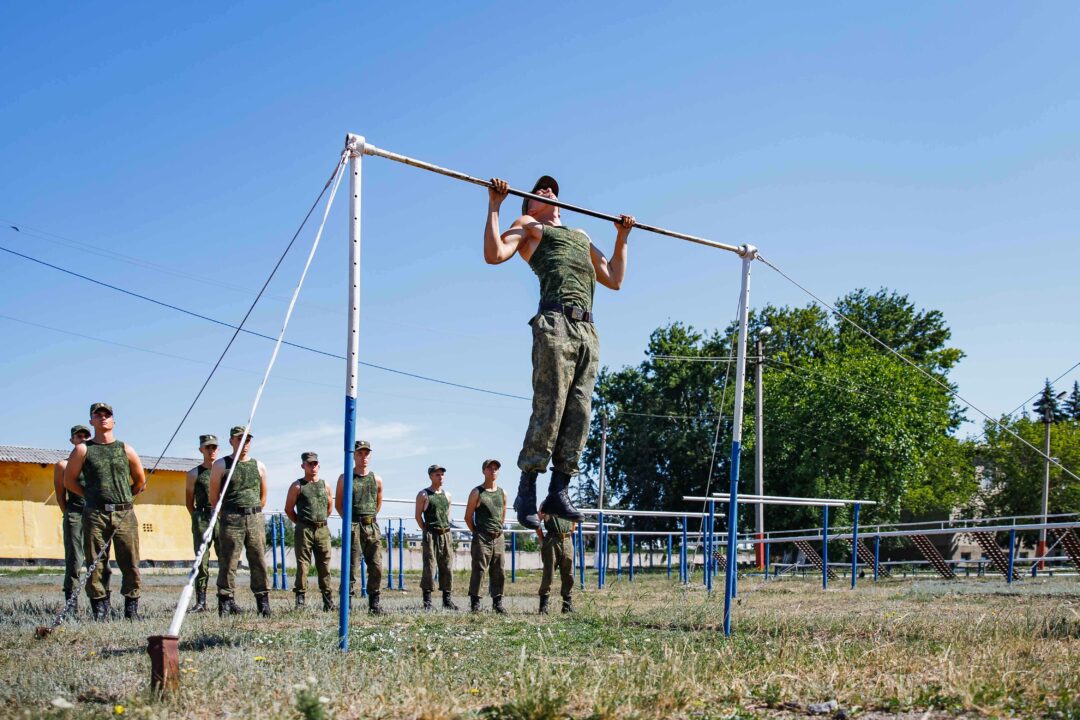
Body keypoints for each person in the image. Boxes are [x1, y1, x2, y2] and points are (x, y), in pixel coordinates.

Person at [484, 175, 633, 529]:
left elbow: (613, 278)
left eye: (551, 189)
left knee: (580, 411)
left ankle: (560, 487)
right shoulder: (529, 226)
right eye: (539, 191)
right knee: (550, 406)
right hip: (555, 322)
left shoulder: (581, 236)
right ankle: (527, 489)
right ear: (530, 204)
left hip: (587, 330)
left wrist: (621, 238)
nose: (548, 190)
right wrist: (495, 205)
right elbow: (494, 255)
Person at [63, 403, 146, 621]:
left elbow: (140, 482)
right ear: (91, 421)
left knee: (130, 562)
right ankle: (100, 609)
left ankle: (131, 609)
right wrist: (89, 496)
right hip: (95, 513)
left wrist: (123, 497)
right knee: (96, 563)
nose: (103, 418)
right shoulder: (83, 449)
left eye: (107, 415)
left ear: (113, 421)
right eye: (97, 415)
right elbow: (69, 481)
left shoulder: (125, 448)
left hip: (124, 514)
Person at [209, 426, 271, 617]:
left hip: (254, 517)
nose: (244, 444)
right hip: (231, 517)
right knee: (228, 561)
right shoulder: (221, 465)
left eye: (247, 440)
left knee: (258, 560)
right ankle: (225, 601)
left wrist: (251, 512)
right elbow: (214, 497)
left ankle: (263, 601)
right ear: (231, 441)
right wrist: (229, 513)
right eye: (239, 439)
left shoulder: (259, 466)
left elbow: (262, 497)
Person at [52, 424, 112, 613]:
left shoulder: (94, 463)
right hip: (75, 513)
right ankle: (71, 604)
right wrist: (68, 513)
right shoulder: (63, 464)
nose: (83, 438)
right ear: (72, 440)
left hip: (95, 513)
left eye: (86, 435)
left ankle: (103, 601)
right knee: (74, 559)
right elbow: (60, 494)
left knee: (101, 558)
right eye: (79, 436)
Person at [335, 440, 385, 615]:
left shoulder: (376, 479)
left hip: (371, 525)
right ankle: (346, 603)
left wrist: (369, 519)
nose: (363, 457)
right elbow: (339, 505)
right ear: (354, 455)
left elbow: (378, 503)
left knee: (376, 566)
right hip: (353, 525)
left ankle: (374, 603)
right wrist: (350, 521)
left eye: (366, 453)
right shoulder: (346, 477)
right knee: (351, 566)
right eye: (360, 453)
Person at [285, 451, 335, 611]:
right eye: (309, 464)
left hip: (322, 529)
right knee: (303, 565)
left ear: (318, 465)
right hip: (304, 529)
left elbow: (329, 507)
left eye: (315, 464)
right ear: (303, 466)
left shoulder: (325, 485)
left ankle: (328, 600)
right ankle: (300, 600)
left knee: (325, 565)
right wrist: (301, 523)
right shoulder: (297, 486)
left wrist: (319, 522)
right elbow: (288, 509)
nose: (312, 467)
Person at [464, 459, 507, 614]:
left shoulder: (502, 493)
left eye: (496, 468)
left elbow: (502, 516)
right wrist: (477, 531)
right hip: (482, 536)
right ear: (484, 471)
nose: (493, 471)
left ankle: (498, 602)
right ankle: (475, 603)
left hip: (498, 537)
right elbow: (468, 517)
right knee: (479, 570)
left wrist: (497, 530)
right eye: (490, 468)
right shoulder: (477, 492)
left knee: (499, 570)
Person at [184, 434, 219, 612]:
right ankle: (201, 601)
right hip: (202, 517)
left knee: (226, 560)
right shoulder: (194, 474)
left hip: (221, 518)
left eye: (213, 447)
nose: (211, 451)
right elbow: (189, 502)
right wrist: (198, 517)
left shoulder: (224, 472)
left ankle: (226, 598)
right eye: (207, 447)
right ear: (201, 450)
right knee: (201, 560)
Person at [415, 463, 458, 610]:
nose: (441, 477)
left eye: (442, 474)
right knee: (430, 566)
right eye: (437, 474)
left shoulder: (448, 495)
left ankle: (447, 600)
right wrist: (427, 531)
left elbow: (447, 515)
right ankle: (427, 602)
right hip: (431, 534)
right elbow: (418, 516)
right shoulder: (424, 494)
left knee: (447, 566)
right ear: (430, 476)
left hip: (445, 534)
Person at [536, 500, 576, 614]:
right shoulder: (546, 504)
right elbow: (536, 521)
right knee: (549, 573)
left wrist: (569, 534)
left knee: (569, 573)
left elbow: (574, 522)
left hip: (567, 540)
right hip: (552, 540)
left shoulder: (569, 503)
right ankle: (543, 605)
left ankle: (567, 604)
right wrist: (542, 539)